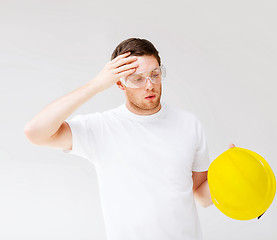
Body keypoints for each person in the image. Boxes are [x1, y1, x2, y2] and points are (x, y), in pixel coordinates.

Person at [24, 38, 235, 240]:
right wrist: (96, 85)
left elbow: (200, 195)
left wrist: (229, 175)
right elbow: (36, 132)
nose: (150, 85)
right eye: (137, 79)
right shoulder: (101, 127)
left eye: (155, 74)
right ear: (119, 83)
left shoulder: (189, 124)